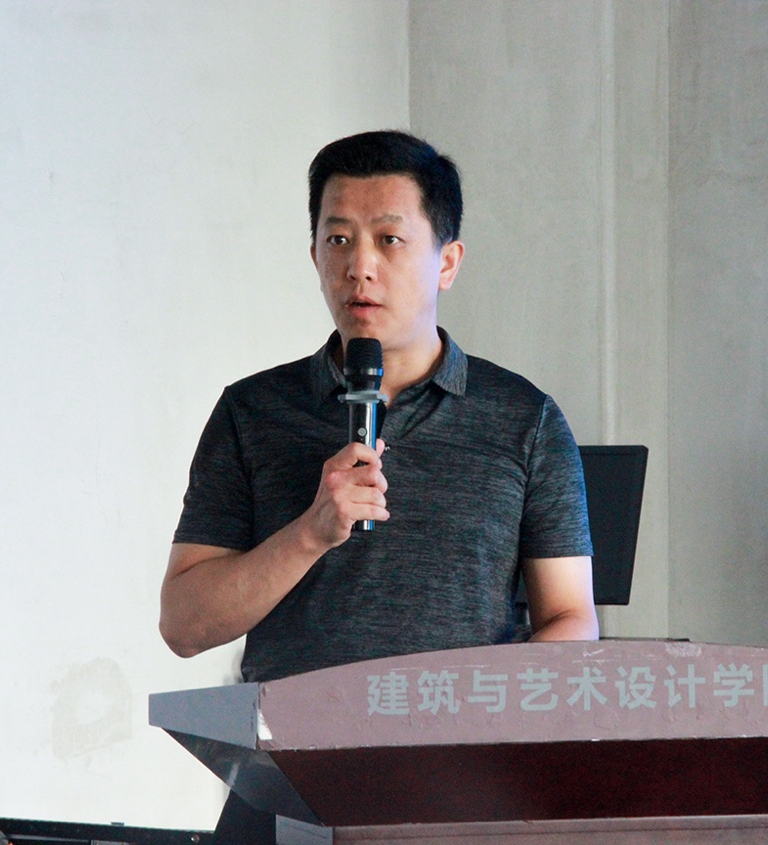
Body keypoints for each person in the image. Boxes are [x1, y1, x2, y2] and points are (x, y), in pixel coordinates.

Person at [159, 130, 597, 843]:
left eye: (389, 240)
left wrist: (485, 724)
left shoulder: (525, 419)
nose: (359, 266)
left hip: (463, 791)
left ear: (447, 261)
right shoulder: (251, 412)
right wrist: (309, 534)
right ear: (313, 256)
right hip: (286, 785)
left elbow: (571, 618)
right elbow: (183, 624)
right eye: (337, 240)